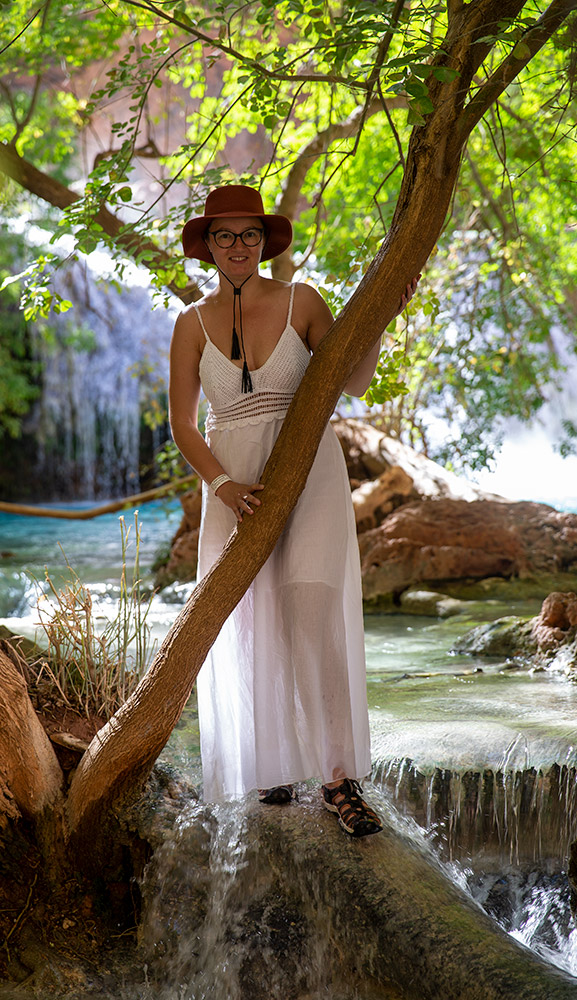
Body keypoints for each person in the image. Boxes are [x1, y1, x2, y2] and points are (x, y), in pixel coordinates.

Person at [169, 184, 417, 837]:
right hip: (233, 484)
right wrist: (222, 487)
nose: (238, 246)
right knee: (249, 622)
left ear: (264, 241)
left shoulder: (303, 300)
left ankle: (339, 779)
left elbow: (350, 380)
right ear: (208, 247)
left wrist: (384, 315)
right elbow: (183, 425)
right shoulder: (188, 325)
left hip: (309, 469)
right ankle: (271, 763)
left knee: (309, 612)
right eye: (224, 235)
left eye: (249, 234)